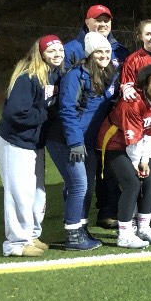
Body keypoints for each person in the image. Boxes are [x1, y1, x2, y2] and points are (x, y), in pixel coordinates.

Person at [47, 32, 117, 250]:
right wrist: (75, 142)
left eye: (107, 51)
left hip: (87, 141)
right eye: (99, 51)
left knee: (86, 185)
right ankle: (72, 235)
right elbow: (67, 110)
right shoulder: (75, 75)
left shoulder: (109, 73)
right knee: (78, 185)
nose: (105, 55)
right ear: (89, 54)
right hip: (65, 139)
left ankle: (80, 227)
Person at [0, 35, 64, 257]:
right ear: (41, 54)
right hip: (15, 141)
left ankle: (31, 234)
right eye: (51, 51)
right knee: (19, 193)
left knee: (37, 192)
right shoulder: (28, 77)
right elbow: (15, 113)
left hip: (33, 143)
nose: (57, 55)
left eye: (60, 50)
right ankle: (15, 244)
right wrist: (45, 114)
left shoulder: (53, 74)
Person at [97, 64, 151, 249]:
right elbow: (133, 139)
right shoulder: (133, 102)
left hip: (138, 144)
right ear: (145, 84)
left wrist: (145, 160)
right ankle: (124, 234)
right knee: (132, 184)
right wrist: (138, 163)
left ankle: (143, 228)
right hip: (115, 142)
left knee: (148, 181)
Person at [63, 4, 130, 69]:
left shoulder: (121, 51)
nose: (103, 24)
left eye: (106, 21)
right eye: (98, 20)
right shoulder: (70, 50)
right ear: (87, 22)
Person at [120, 20, 151, 102]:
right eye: (148, 34)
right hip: (144, 104)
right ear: (140, 36)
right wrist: (128, 90)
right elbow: (127, 84)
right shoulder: (132, 60)